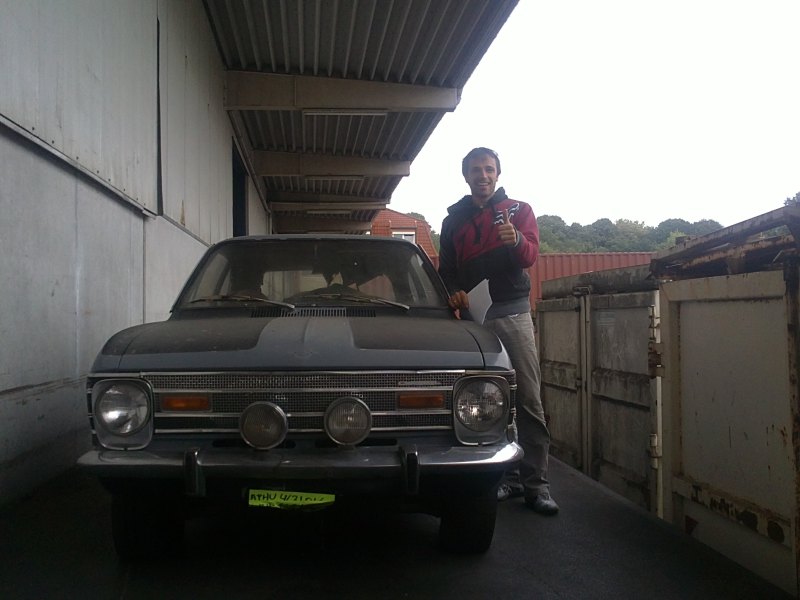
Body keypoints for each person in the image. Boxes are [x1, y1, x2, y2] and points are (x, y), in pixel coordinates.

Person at [438, 147, 559, 515]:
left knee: (528, 401)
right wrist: (454, 293)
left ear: (497, 174)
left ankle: (537, 486)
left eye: (489, 169)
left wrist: (516, 239)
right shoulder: (453, 221)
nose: (483, 175)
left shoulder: (519, 211)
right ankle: (506, 479)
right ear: (466, 176)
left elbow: (529, 256)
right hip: (474, 320)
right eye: (476, 170)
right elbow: (447, 273)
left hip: (513, 314)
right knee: (485, 402)